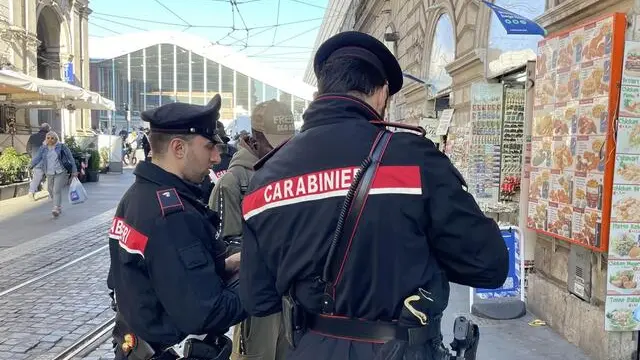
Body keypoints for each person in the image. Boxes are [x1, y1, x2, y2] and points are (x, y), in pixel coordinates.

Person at [238, 31, 509, 360]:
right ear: (381, 94)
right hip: (399, 350)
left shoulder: (263, 180)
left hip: (308, 348)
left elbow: (259, 299)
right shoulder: (414, 159)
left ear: (321, 90)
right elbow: (489, 265)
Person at [106, 94, 246, 360]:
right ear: (178, 148)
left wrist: (230, 262)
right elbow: (206, 312)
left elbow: (155, 274)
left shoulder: (138, 196)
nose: (217, 157)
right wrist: (261, 278)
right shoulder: (171, 215)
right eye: (209, 147)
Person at [209, 100, 294, 360]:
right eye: (273, 142)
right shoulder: (232, 183)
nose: (281, 150)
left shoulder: (289, 173)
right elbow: (224, 249)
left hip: (289, 297)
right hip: (256, 303)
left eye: (287, 142)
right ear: (255, 140)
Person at [29, 131, 78, 218]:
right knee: (50, 189)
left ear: (56, 139)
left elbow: (70, 158)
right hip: (49, 171)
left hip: (60, 171)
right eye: (48, 138)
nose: (50, 140)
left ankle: (56, 208)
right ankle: (57, 204)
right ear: (46, 139)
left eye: (52, 138)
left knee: (56, 189)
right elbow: (38, 157)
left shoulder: (62, 147)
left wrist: (74, 171)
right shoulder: (43, 148)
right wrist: (31, 165)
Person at [26, 123, 50, 200]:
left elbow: (28, 148)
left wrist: (32, 156)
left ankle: (31, 192)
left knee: (36, 177)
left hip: (36, 161)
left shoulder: (33, 136)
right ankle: (50, 193)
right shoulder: (49, 137)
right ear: (47, 129)